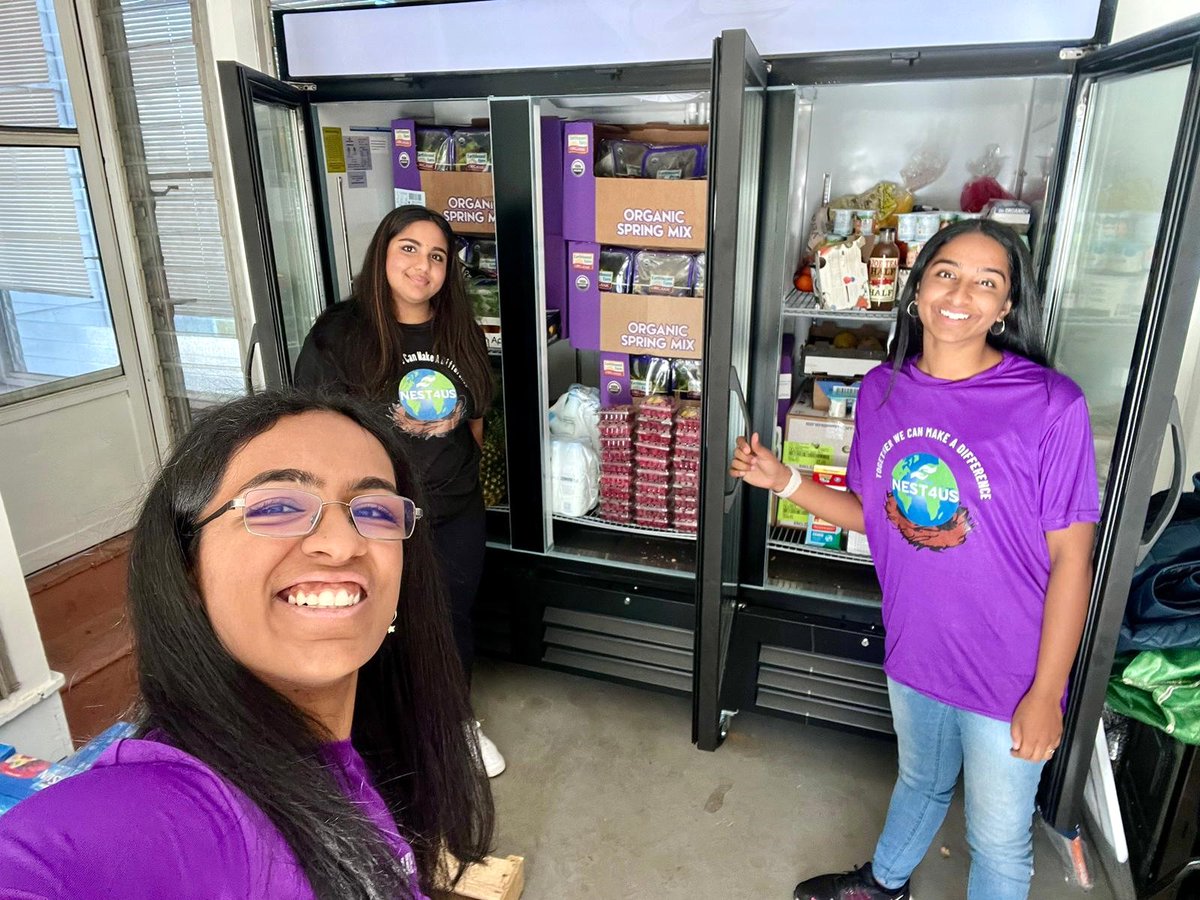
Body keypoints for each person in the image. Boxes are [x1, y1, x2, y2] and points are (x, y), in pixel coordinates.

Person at [0, 392, 495, 899]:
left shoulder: (372, 749)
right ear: (189, 570)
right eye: (278, 505)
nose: (344, 544)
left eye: (373, 509)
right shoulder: (177, 812)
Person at [732, 220, 1099, 900]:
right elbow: (880, 517)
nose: (962, 293)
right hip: (918, 643)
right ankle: (885, 883)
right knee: (922, 779)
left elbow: (1073, 560)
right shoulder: (883, 390)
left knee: (997, 842)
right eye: (947, 273)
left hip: (1010, 668)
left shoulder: (1051, 404)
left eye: (988, 282)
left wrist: (1047, 693)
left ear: (1007, 307)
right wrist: (784, 482)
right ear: (917, 288)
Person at [294, 205, 505, 776]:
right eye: (409, 249)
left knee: (453, 617)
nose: (423, 266)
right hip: (374, 516)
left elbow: (475, 423)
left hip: (454, 510)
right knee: (375, 621)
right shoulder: (340, 334)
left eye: (437, 256)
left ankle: (457, 724)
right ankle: (377, 735)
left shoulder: (460, 331)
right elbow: (313, 429)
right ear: (383, 253)